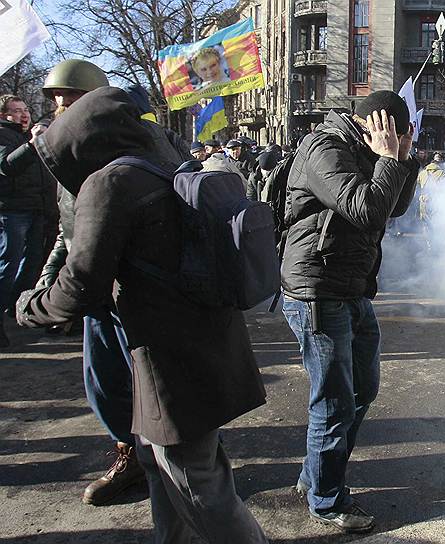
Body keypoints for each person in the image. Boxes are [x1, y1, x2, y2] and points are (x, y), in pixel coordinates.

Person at [17, 87, 268, 543]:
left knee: (197, 483)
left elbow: (82, 286)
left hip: (168, 355)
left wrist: (29, 307)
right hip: (203, 338)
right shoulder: (165, 160)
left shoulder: (109, 183)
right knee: (159, 463)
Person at [281, 91, 418, 533]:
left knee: (363, 389)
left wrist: (405, 160)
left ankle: (314, 475)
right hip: (317, 291)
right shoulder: (326, 149)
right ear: (374, 128)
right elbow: (366, 208)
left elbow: (393, 206)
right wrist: (388, 159)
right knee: (335, 401)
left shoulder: (368, 152)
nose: (397, 144)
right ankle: (326, 500)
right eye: (395, 135)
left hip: (352, 288)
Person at [0, 96, 50, 348]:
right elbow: (6, 165)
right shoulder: (3, 136)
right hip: (12, 211)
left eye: (25, 110)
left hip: (36, 208)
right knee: (8, 264)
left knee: (31, 264)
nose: (23, 115)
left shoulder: (24, 135)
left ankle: (15, 309)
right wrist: (32, 144)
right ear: (3, 115)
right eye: (16, 111)